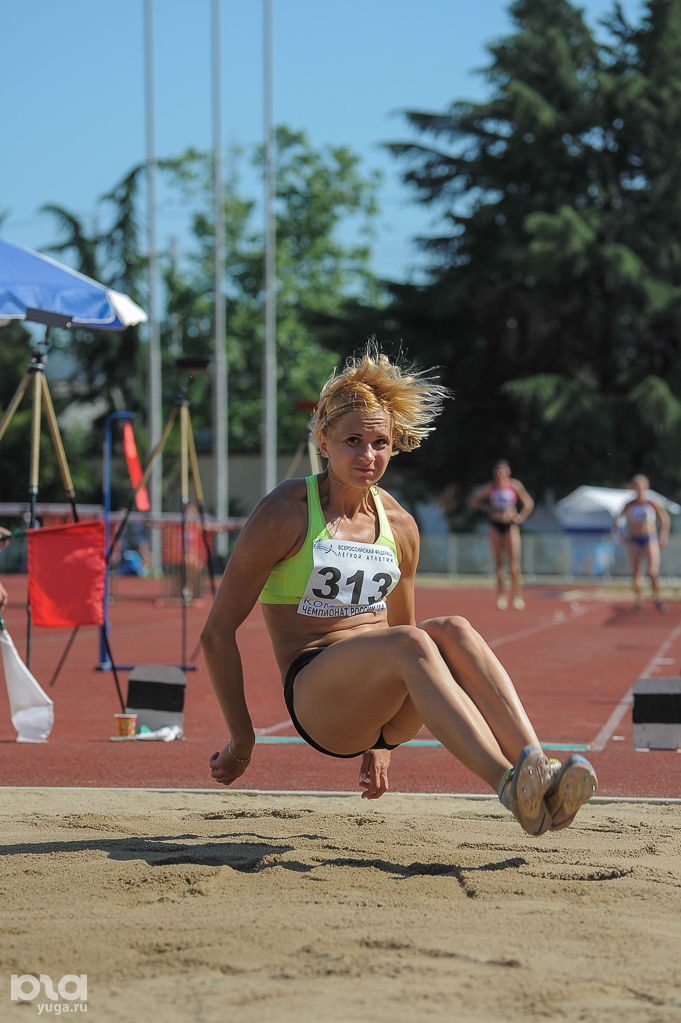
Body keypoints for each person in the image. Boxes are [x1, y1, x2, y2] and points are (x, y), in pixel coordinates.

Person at [201, 346, 597, 837]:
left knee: (451, 629)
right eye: (353, 441)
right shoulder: (286, 512)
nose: (368, 456)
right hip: (320, 699)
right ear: (323, 442)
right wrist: (242, 740)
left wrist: (385, 743)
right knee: (413, 643)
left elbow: (405, 629)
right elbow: (217, 634)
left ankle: (538, 772)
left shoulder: (401, 525)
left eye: (380, 443)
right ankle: (508, 784)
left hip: (386, 705)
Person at [469, 460, 534, 610]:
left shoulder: (514, 485)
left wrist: (520, 516)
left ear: (507, 472)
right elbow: (474, 500)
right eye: (497, 471)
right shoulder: (491, 487)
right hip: (494, 525)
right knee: (498, 563)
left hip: (510, 525)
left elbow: (528, 503)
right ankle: (501, 596)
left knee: (514, 564)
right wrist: (487, 508)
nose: (499, 474)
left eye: (502, 471)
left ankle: (517, 596)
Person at [619, 474, 671, 612]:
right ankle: (638, 600)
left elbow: (664, 518)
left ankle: (657, 598)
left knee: (652, 571)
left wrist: (663, 535)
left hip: (650, 538)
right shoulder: (630, 504)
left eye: (641, 487)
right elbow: (617, 519)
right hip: (634, 540)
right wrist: (621, 535)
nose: (638, 490)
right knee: (636, 572)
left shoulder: (651, 502)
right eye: (636, 487)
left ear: (646, 488)